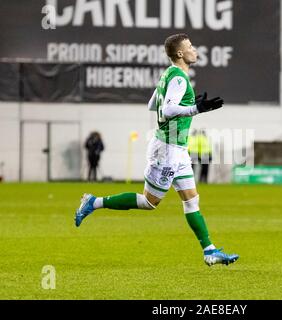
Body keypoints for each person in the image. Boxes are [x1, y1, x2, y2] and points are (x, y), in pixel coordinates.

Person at [74, 33, 238, 266]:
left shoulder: (169, 75)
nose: (194, 49)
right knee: (149, 202)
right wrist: (195, 109)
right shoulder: (180, 78)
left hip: (177, 149)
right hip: (166, 150)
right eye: (190, 46)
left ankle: (209, 250)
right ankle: (94, 202)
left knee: (191, 200)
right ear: (180, 53)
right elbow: (168, 110)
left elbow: (153, 105)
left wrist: (187, 106)